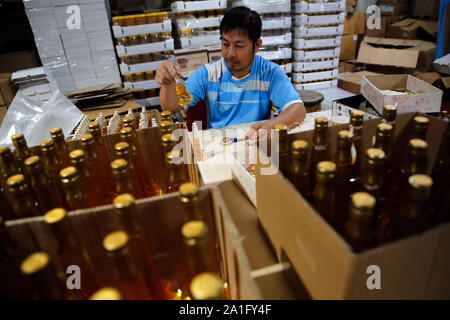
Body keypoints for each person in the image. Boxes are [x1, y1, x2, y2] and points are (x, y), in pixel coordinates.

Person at [156, 6, 306, 139]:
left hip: (253, 144)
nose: (230, 54)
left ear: (257, 45)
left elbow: (298, 109)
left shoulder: (269, 73)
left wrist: (270, 125)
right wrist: (168, 85)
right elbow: (171, 107)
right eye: (225, 44)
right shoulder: (209, 73)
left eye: (239, 46)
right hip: (217, 147)